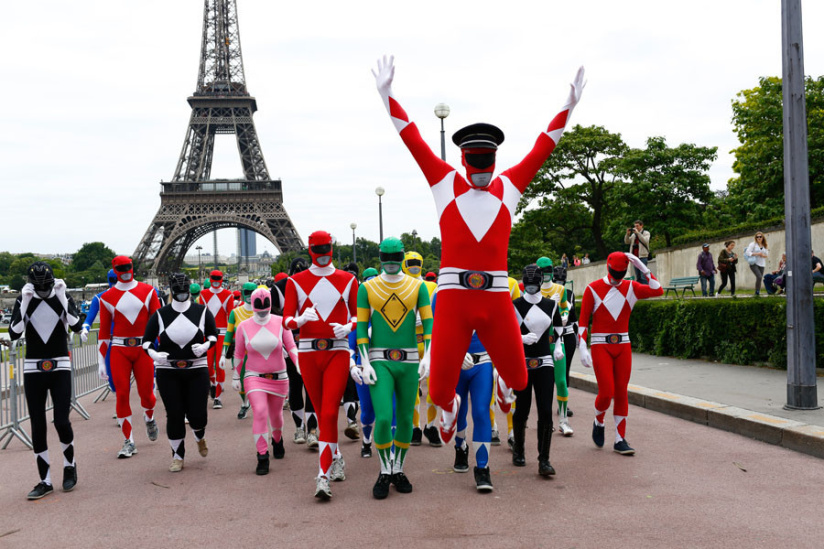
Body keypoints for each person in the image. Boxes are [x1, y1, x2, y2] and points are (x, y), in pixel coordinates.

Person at [372, 55, 584, 444]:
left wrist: (568, 107)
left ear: (495, 158)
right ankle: (450, 409)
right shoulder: (445, 183)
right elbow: (413, 139)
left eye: (488, 160)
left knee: (518, 379)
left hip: (496, 295)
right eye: (476, 160)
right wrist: (388, 96)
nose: (482, 168)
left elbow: (543, 146)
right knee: (439, 392)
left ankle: (497, 390)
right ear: (464, 158)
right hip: (454, 299)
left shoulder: (509, 187)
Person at [353, 237, 433, 499]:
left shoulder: (418, 286)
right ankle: (385, 469)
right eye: (385, 258)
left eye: (394, 258)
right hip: (379, 360)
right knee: (385, 417)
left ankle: (398, 468)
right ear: (380, 258)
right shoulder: (367, 288)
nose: (390, 263)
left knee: (407, 418)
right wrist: (365, 361)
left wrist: (428, 355)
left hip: (410, 360)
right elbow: (361, 328)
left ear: (401, 258)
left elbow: (428, 323)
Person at [282, 230, 358, 500]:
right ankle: (335, 456)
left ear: (332, 248)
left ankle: (322, 476)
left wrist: (348, 327)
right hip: (308, 353)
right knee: (322, 414)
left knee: (328, 414)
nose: (324, 255)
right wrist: (300, 320)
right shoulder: (295, 282)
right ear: (311, 250)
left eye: (327, 249)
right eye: (319, 250)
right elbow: (286, 320)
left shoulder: (349, 280)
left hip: (337, 350)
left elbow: (359, 317)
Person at [9, 262, 84, 499]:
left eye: (46, 286)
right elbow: (14, 332)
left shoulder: (62, 296)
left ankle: (69, 466)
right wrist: (24, 301)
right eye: (38, 287)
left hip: (60, 365)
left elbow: (76, 325)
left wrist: (61, 296)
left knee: (61, 421)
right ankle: (45, 480)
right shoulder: (24, 299)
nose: (42, 290)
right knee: (38, 425)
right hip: (33, 368)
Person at [577, 252, 663, 455]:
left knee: (622, 391)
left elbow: (658, 290)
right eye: (615, 273)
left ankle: (620, 438)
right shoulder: (593, 288)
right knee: (606, 392)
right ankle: (599, 420)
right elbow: (583, 321)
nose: (617, 277)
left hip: (623, 344)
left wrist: (643, 268)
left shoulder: (631, 287)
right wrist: (582, 346)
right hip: (600, 345)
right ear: (608, 268)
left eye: (621, 273)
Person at [142, 273, 217, 472]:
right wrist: (154, 354)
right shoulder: (160, 314)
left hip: (197, 368)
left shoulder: (202, 311)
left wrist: (205, 346)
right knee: (174, 414)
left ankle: (199, 436)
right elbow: (146, 341)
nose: (182, 294)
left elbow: (213, 334)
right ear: (172, 291)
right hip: (168, 370)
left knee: (198, 415)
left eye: (185, 291)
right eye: (179, 291)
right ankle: (177, 455)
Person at [98, 256, 160, 458]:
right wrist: (101, 361)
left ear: (132, 267)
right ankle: (129, 441)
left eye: (128, 267)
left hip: (143, 348)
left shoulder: (148, 291)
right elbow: (104, 332)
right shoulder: (107, 297)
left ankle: (149, 417)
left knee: (147, 394)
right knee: (122, 394)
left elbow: (158, 322)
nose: (125, 271)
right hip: (119, 349)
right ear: (114, 270)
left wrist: (161, 349)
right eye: (121, 268)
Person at [233, 288, 298, 475]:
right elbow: (238, 354)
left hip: (279, 376)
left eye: (265, 307)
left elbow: (291, 346)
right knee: (260, 412)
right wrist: (236, 376)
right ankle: (262, 455)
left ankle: (277, 440)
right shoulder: (243, 326)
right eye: (259, 308)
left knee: (276, 415)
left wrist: (299, 363)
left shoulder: (280, 322)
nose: (262, 312)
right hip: (254, 376)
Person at [512, 264, 566, 477]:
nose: (531, 288)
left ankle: (544, 459)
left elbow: (559, 327)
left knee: (545, 410)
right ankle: (518, 450)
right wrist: (520, 338)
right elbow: (507, 332)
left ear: (540, 282)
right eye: (528, 284)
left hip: (545, 361)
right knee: (522, 408)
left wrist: (558, 345)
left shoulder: (551, 304)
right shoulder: (515, 305)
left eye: (534, 284)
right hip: (522, 361)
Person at [271, 258, 318, 447]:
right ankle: (300, 427)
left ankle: (312, 429)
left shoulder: (315, 284)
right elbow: (273, 316)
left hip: (311, 342)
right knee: (296, 385)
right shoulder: (278, 288)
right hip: (290, 342)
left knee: (310, 386)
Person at [402, 251, 440, 447]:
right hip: (408, 341)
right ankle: (414, 427)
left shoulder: (432, 286)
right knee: (411, 390)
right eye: (411, 262)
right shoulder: (399, 285)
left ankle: (431, 426)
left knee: (434, 389)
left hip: (428, 341)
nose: (415, 265)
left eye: (418, 262)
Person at [197, 270, 235, 408]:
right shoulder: (203, 294)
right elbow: (201, 316)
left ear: (222, 279)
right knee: (207, 366)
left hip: (223, 335)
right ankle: (213, 384)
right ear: (210, 278)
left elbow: (231, 317)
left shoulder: (228, 295)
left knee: (220, 365)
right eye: (214, 278)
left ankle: (218, 397)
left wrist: (232, 337)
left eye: (218, 278)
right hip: (208, 334)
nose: (216, 281)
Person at [222, 282, 258, 419]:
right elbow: (229, 333)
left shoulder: (263, 311)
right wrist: (223, 354)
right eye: (247, 292)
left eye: (252, 292)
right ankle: (245, 404)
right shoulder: (235, 312)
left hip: (260, 353)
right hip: (242, 354)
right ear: (243, 293)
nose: (249, 295)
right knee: (241, 382)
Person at [80, 269, 117, 389]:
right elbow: (89, 319)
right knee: (112, 380)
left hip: (128, 340)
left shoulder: (130, 295)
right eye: (114, 280)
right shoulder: (99, 298)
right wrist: (85, 328)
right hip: (109, 341)